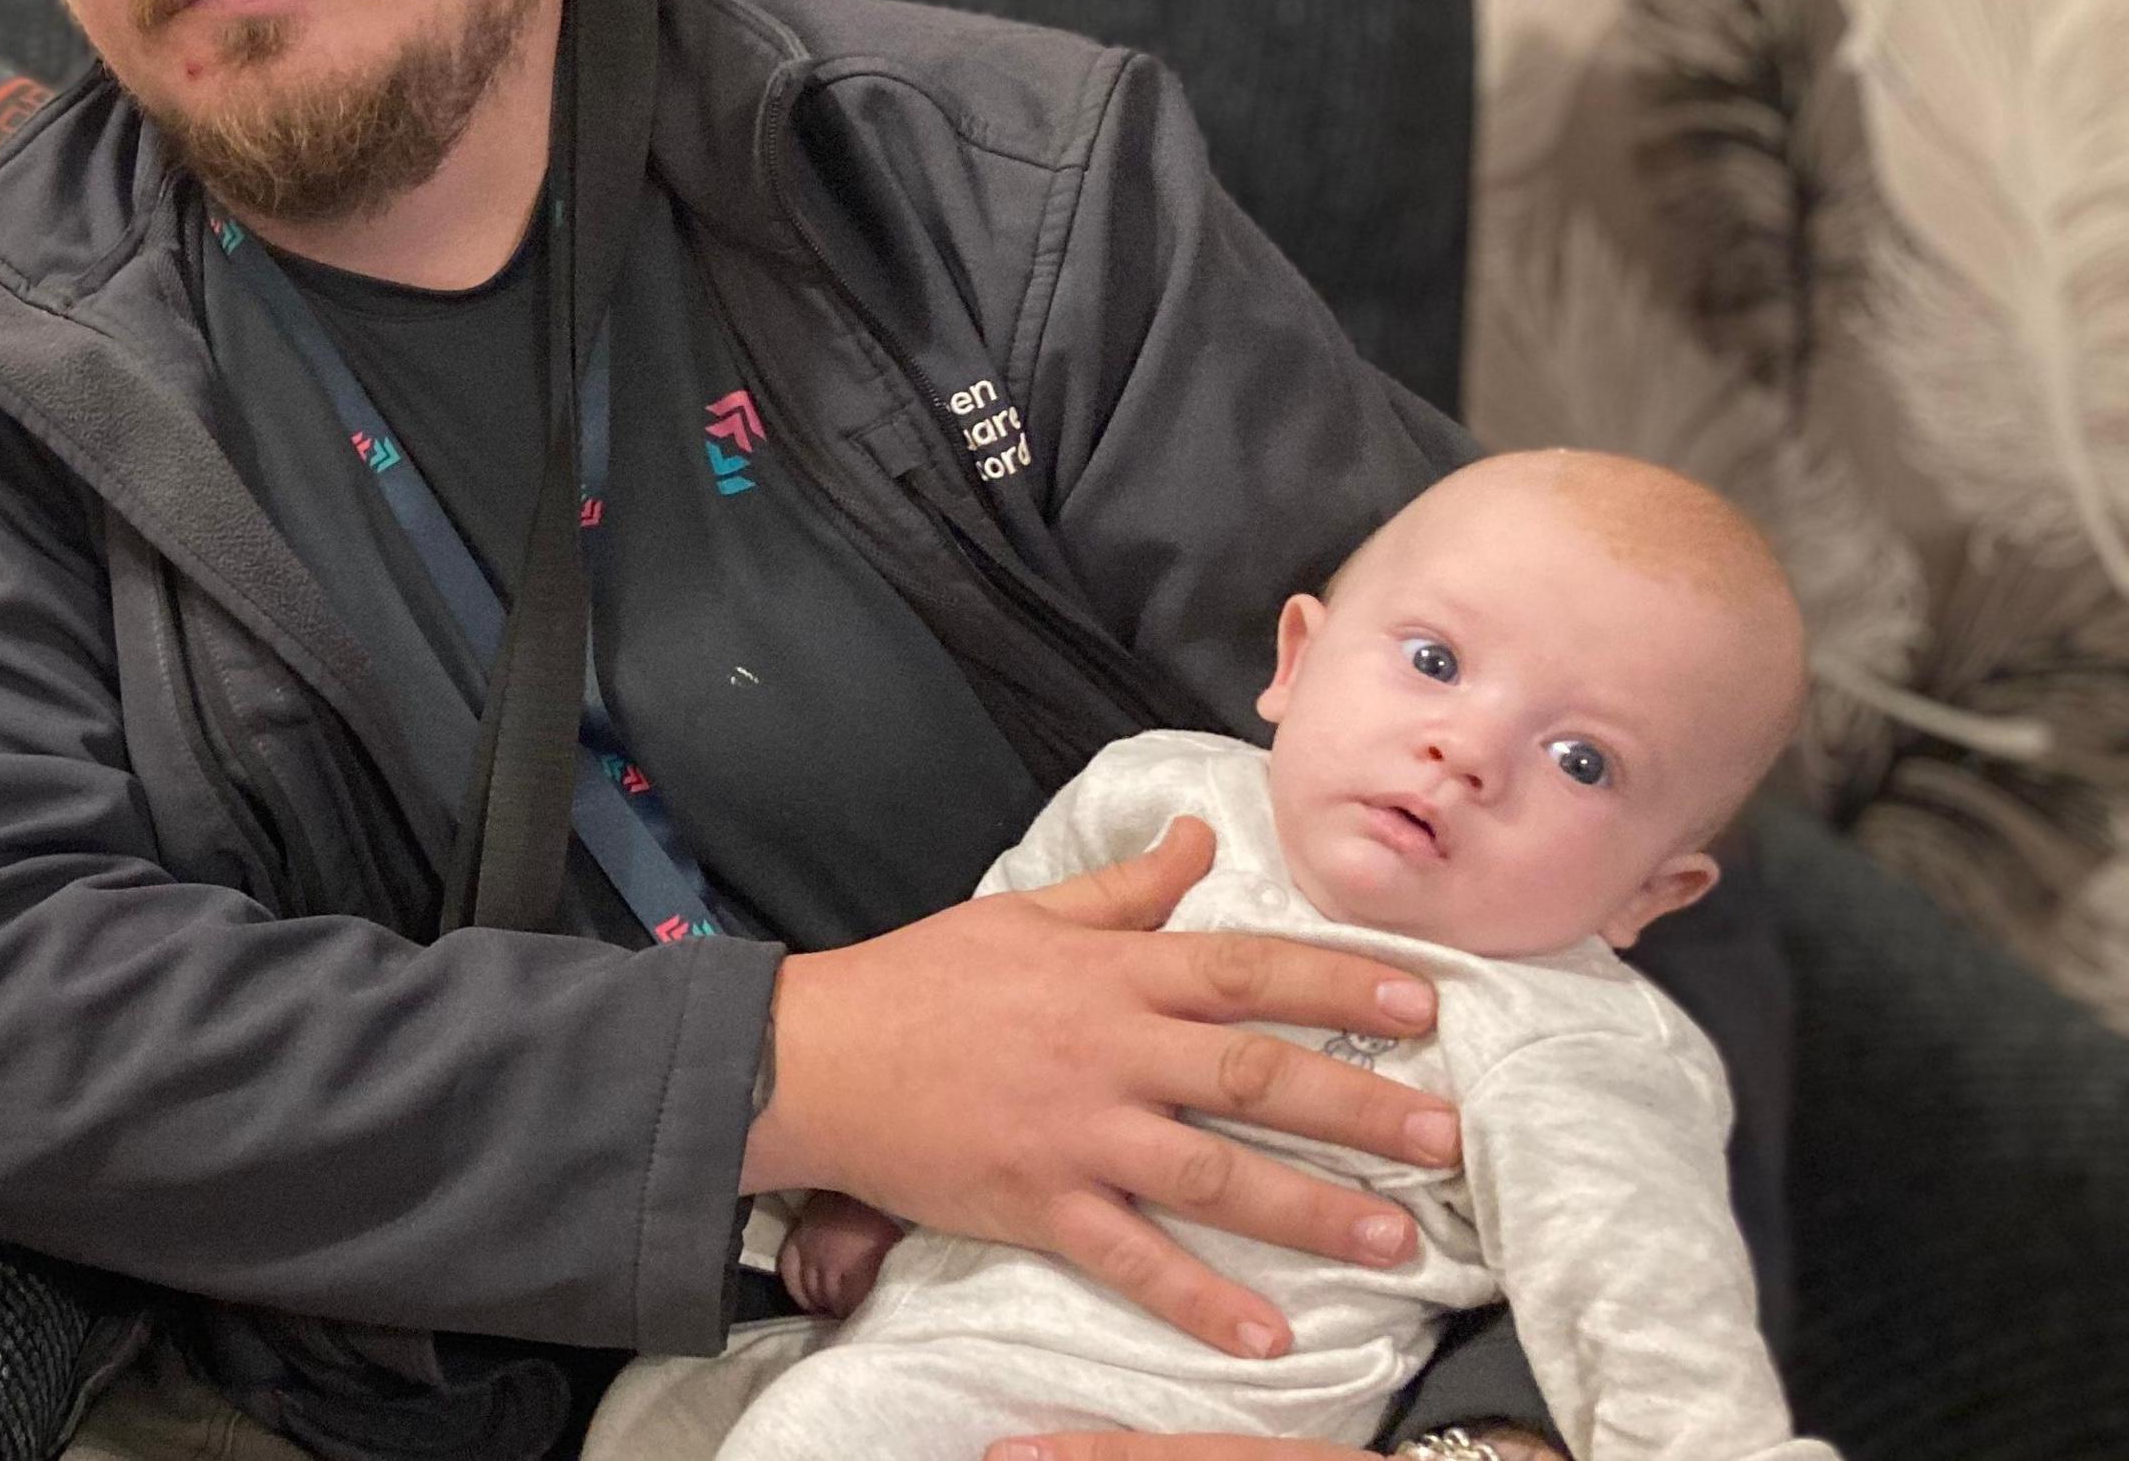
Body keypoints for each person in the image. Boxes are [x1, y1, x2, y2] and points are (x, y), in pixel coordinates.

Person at [0, 0, 1786, 1460]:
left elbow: (1606, 850)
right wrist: (791, 1064)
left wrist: (1472, 1440)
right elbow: (8, 1020)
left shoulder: (1008, 199)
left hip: (1193, 1368)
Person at [714, 453, 1829, 1460]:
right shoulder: (1157, 798)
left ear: (1650, 892)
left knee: (815, 1433)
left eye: (1582, 759)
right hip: (915, 1317)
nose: (1470, 750)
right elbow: (968, 984)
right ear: (1298, 658)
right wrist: (872, 1184)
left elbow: (1652, 1319)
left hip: (1175, 1407)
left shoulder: (1554, 1038)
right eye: (1435, 659)